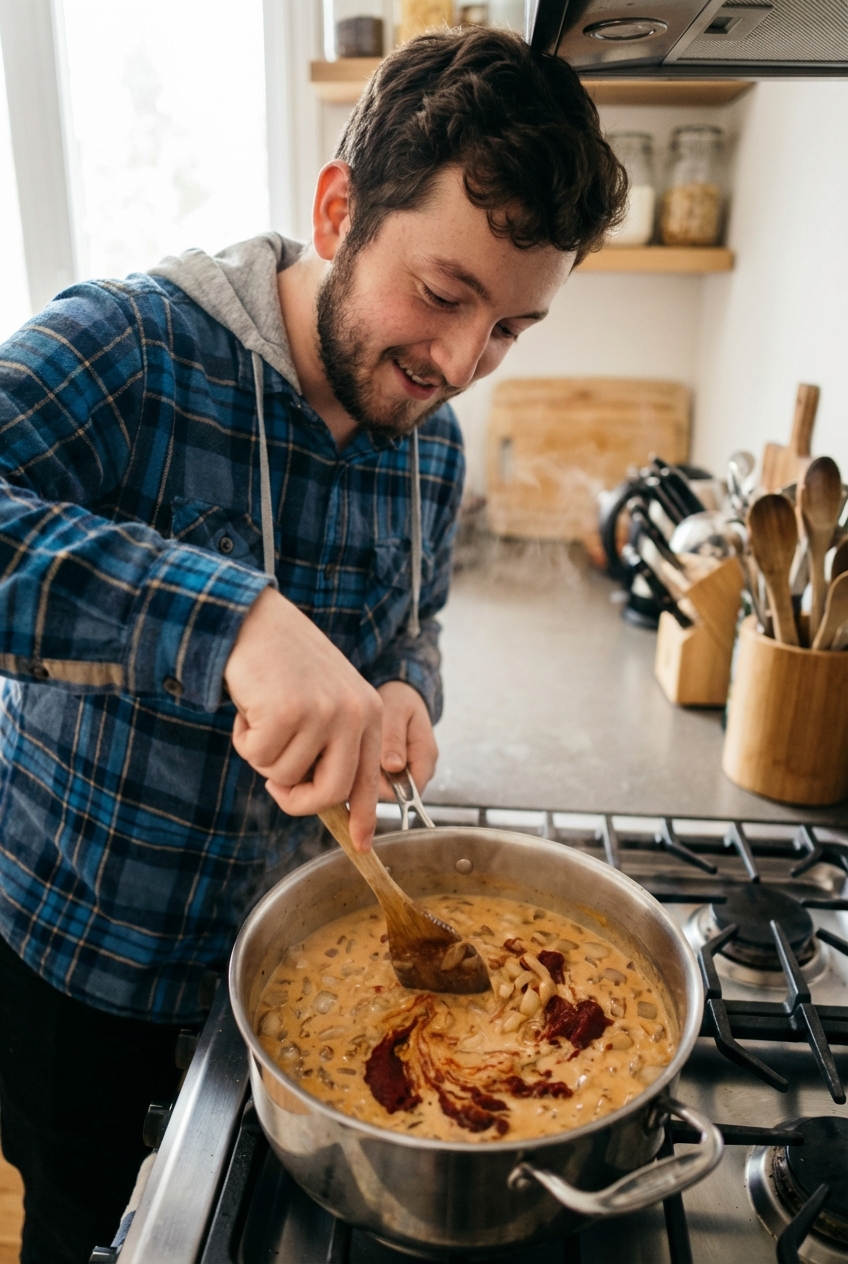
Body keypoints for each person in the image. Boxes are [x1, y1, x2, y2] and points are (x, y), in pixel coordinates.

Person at [0, 24, 625, 1263]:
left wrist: (404, 688)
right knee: (90, 1229)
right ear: (339, 208)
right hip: (79, 975)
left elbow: (414, 625)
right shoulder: (136, 350)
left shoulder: (430, 444)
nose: (458, 362)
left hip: (288, 980)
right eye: (443, 294)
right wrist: (227, 616)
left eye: (507, 330)